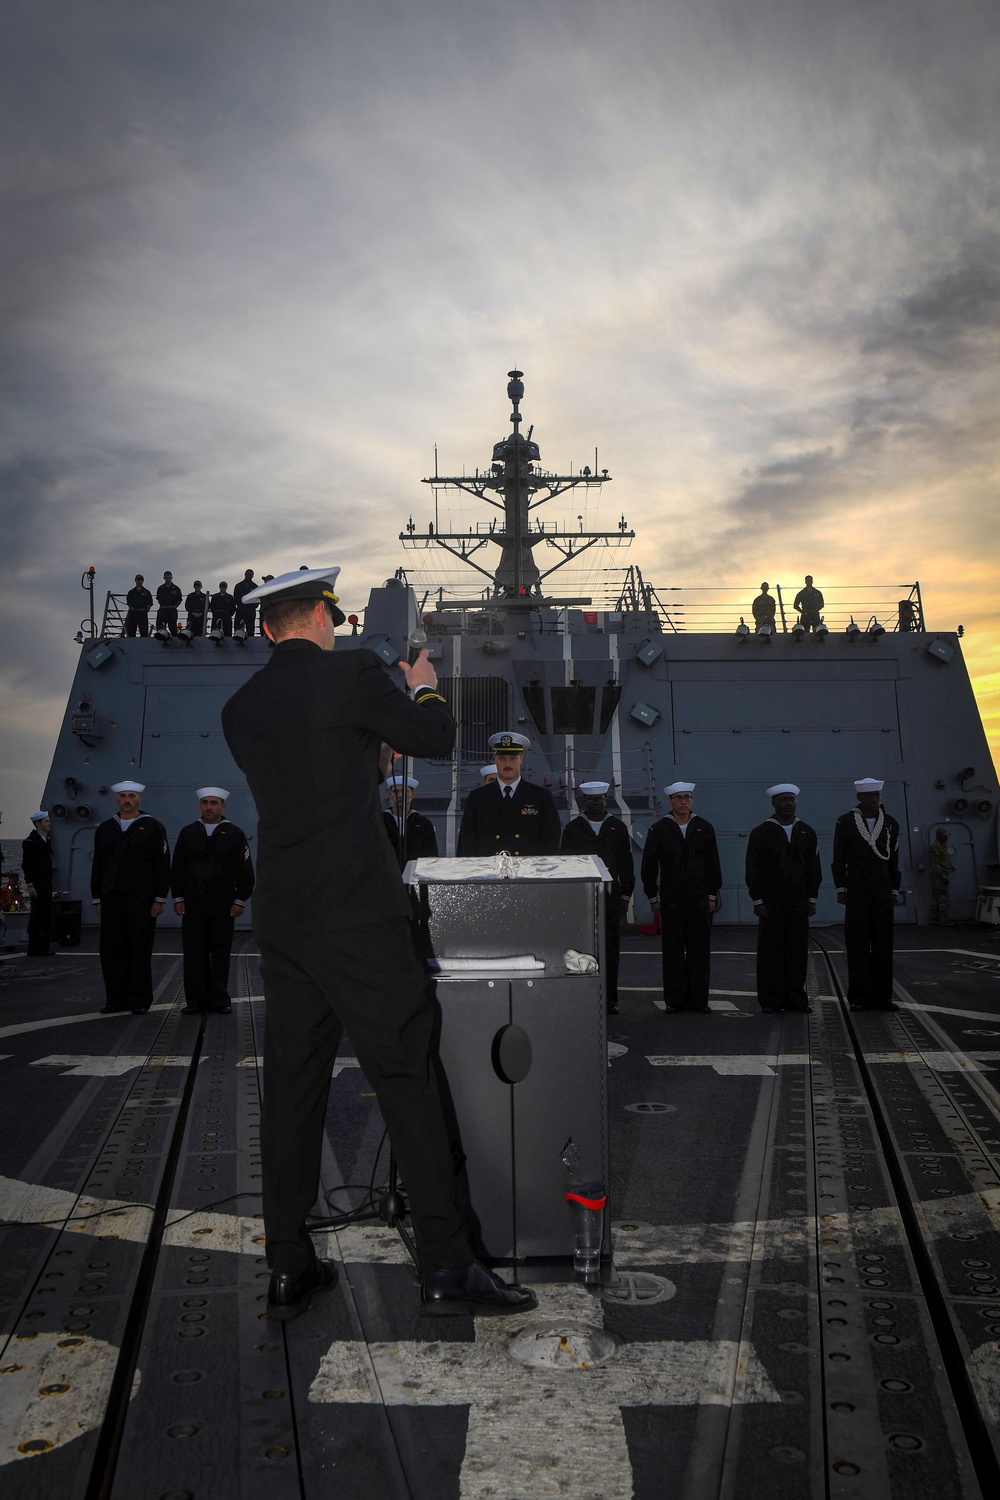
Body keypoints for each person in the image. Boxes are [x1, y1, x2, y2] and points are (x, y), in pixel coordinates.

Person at [221, 566, 534, 1321]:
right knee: (406, 1081)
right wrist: (424, 683)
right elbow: (430, 734)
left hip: (285, 922)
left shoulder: (241, 708)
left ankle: (289, 1265)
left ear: (268, 628)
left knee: (293, 1091)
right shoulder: (354, 672)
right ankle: (447, 1266)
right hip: (358, 917)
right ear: (325, 619)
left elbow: (311, 774)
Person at [171, 787, 255, 1014]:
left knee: (220, 952)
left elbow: (245, 870)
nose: (209, 806)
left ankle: (219, 999)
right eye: (205, 802)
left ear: (223, 806)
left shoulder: (234, 834)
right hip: (193, 903)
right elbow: (178, 867)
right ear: (200, 805)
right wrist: (178, 897)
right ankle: (195, 1001)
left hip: (223, 904)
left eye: (214, 803)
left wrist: (240, 900)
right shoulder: (188, 832)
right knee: (193, 952)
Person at [641, 782, 722, 1014]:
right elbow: (649, 865)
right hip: (671, 898)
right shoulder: (659, 829)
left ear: (692, 800)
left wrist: (711, 894)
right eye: (678, 798)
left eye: (687, 797)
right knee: (673, 950)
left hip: (698, 898)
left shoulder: (704, 828)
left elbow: (713, 863)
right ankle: (674, 1001)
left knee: (699, 950)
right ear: (670, 802)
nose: (683, 801)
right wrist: (652, 897)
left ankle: (699, 1000)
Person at [91, 781, 170, 1014]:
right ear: (116, 799)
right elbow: (98, 866)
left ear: (139, 799)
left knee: (139, 949)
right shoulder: (105, 829)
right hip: (111, 899)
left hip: (142, 899)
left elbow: (162, 865)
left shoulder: (154, 827)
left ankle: (139, 1000)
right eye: (123, 796)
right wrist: (98, 899)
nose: (126, 800)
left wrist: (159, 898)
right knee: (111, 950)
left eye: (131, 796)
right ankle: (115, 999)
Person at [560, 781, 635, 1014]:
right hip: (582, 898)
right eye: (591, 800)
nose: (595, 803)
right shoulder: (573, 829)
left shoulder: (618, 828)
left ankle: (609, 999)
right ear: (584, 802)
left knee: (611, 948)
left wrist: (626, 896)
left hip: (610, 897)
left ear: (605, 801)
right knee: (581, 948)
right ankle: (583, 996)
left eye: (599, 799)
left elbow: (626, 864)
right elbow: (565, 865)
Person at [745, 784, 821, 1013]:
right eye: (783, 800)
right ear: (774, 803)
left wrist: (812, 898)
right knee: (771, 952)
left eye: (791, 799)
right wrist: (757, 900)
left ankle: (796, 998)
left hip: (798, 901)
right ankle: (771, 1000)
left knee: (797, 951)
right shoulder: (761, 832)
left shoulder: (806, 831)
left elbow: (813, 868)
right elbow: (752, 867)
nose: (788, 803)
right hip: (771, 903)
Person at [831, 777, 903, 1011]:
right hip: (857, 891)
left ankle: (884, 997)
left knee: (884, 945)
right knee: (857, 945)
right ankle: (859, 997)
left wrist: (894, 889)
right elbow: (839, 858)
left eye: (876, 795)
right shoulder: (845, 823)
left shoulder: (891, 824)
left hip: (882, 891)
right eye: (868, 795)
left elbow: (894, 861)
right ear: (859, 797)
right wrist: (841, 887)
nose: (873, 799)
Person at [457, 732, 561, 856]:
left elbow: (550, 842)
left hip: (527, 870)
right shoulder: (478, 797)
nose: (507, 764)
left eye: (513, 758)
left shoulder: (540, 797)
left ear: (521, 758)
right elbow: (467, 841)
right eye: (502, 758)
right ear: (494, 759)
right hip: (489, 870)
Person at [383, 775, 439, 867]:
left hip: (413, 876)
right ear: (390, 794)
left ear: (412, 794)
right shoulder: (380, 822)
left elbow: (431, 856)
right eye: (396, 791)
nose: (400, 795)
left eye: (404, 791)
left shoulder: (424, 824)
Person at [21, 811, 53, 956]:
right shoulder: (30, 842)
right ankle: (34, 948)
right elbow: (27, 865)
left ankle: (43, 947)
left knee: (45, 915)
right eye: (46, 821)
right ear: (38, 824)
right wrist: (30, 884)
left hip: (46, 883)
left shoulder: (46, 840)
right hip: (38, 884)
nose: (49, 823)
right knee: (37, 916)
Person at [929, 827, 955, 926]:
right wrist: (942, 876)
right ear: (939, 836)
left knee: (937, 898)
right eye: (944, 835)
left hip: (940, 875)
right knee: (943, 898)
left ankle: (934, 919)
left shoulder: (941, 846)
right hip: (939, 877)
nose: (946, 837)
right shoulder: (936, 847)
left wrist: (949, 866)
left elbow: (941, 861)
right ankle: (943, 920)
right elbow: (935, 864)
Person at [233, 569, 258, 636]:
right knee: (237, 628)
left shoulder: (255, 587)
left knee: (250, 629)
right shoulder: (238, 586)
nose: (248, 576)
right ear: (245, 574)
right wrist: (241, 605)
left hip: (250, 611)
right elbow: (235, 598)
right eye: (247, 574)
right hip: (240, 609)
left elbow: (257, 600)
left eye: (250, 575)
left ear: (252, 576)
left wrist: (251, 607)